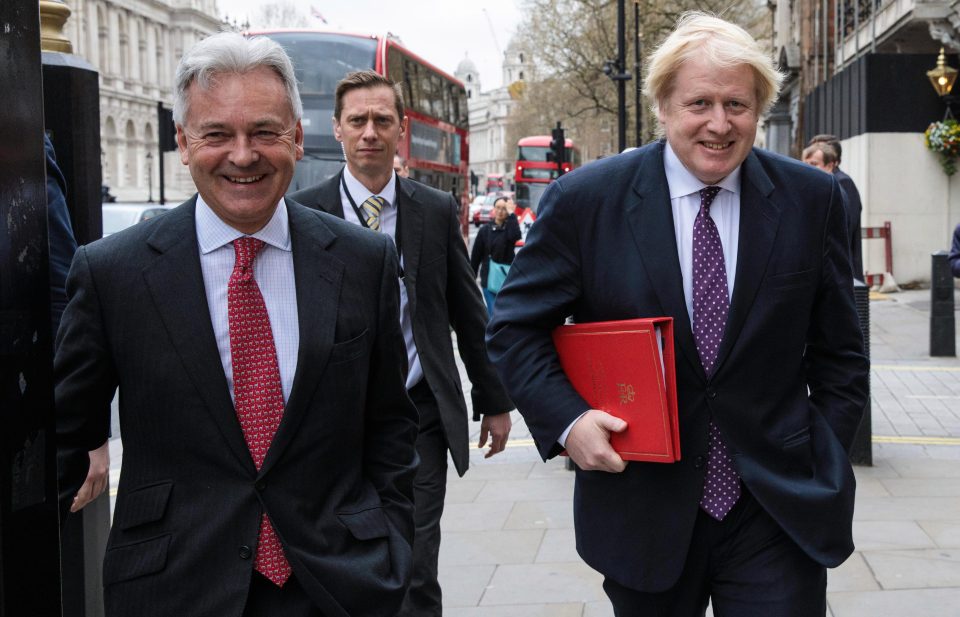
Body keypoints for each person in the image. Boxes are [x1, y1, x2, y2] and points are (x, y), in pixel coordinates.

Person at [486, 12, 868, 616]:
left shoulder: (811, 199)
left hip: (775, 507)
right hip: (642, 508)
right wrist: (568, 423)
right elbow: (514, 328)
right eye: (700, 103)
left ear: (760, 109)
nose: (719, 124)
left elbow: (842, 353)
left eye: (738, 104)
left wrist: (823, 451)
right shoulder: (587, 202)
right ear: (663, 106)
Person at [55, 33, 419, 617]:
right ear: (182, 142)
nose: (243, 155)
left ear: (297, 138)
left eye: (265, 132)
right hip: (175, 589)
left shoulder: (362, 260)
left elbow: (391, 431)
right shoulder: (111, 274)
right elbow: (65, 434)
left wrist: (393, 550)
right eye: (217, 133)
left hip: (339, 585)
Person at [289, 70, 513, 616]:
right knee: (339, 558)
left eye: (381, 120)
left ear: (401, 130)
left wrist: (495, 399)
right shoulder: (303, 213)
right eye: (357, 120)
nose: (370, 131)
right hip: (331, 418)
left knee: (414, 562)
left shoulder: (433, 212)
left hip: (417, 417)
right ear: (337, 129)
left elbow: (466, 308)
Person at [808, 133, 864, 281]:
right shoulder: (822, 183)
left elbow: (844, 228)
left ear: (833, 161)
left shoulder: (843, 183)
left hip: (842, 270)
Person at [470, 196, 520, 317]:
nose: (500, 211)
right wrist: (471, 278)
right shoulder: (484, 230)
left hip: (506, 280)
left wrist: (512, 214)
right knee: (493, 314)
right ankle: (492, 335)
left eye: (504, 208)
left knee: (505, 314)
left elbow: (515, 236)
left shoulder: (510, 228)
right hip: (488, 280)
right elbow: (476, 256)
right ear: (493, 209)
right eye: (498, 207)